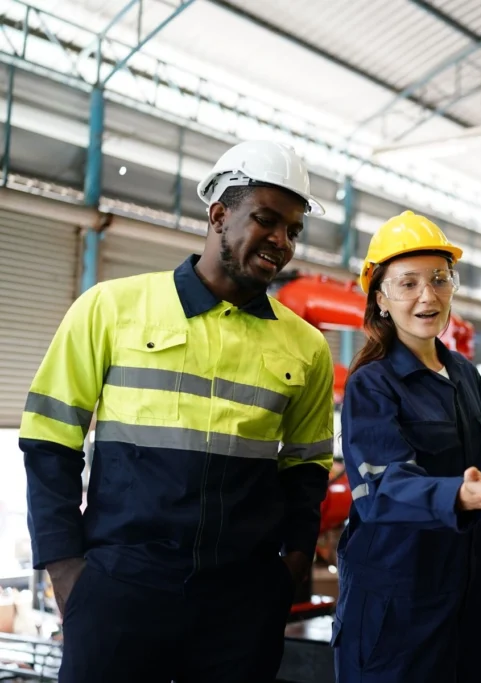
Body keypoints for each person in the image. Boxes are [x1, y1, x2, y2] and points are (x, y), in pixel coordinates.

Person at [20, 139, 336, 683]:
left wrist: (289, 570)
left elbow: (307, 470)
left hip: (241, 606)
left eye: (293, 230)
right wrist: (67, 570)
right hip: (121, 591)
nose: (281, 242)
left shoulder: (305, 346)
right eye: (267, 220)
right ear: (218, 215)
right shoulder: (109, 309)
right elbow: (49, 443)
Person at [332, 210, 481, 683]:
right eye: (408, 283)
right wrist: (458, 496)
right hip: (396, 598)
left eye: (440, 279)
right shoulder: (372, 384)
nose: (428, 295)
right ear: (380, 298)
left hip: (464, 591)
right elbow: (380, 489)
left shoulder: (463, 373)